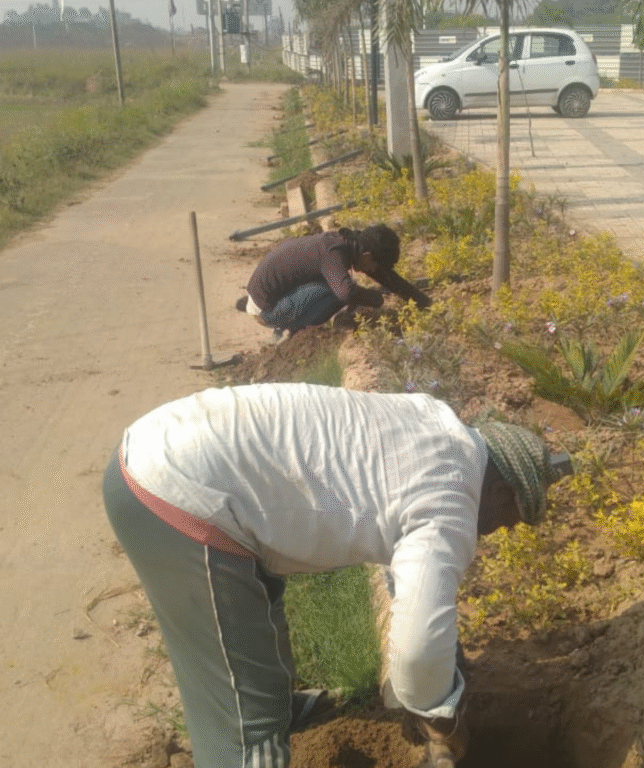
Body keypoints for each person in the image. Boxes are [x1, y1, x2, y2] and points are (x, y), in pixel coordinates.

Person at [102, 382, 571, 768]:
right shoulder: (450, 500)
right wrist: (441, 716)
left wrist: (445, 669)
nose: (494, 532)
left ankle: (283, 709)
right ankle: (251, 744)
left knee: (256, 602)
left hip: (167, 443)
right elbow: (415, 652)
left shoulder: (435, 424)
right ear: (504, 490)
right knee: (243, 704)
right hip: (175, 494)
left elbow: (405, 578)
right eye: (508, 519)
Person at [237, 223, 431, 339]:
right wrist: (374, 298)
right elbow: (345, 292)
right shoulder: (334, 254)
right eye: (374, 265)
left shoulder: (350, 246)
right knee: (335, 290)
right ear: (367, 255)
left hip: (270, 298)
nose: (373, 271)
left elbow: (386, 277)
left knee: (337, 286)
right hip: (268, 311)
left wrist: (423, 303)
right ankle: (299, 332)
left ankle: (295, 324)